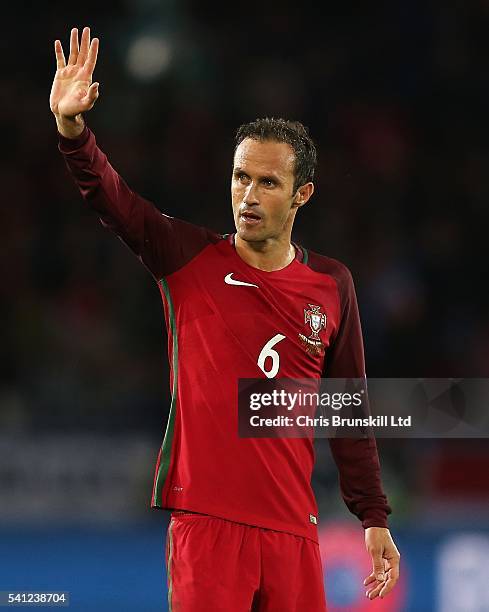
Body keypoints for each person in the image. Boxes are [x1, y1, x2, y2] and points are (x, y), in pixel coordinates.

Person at [50, 26, 400, 611]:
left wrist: (373, 517)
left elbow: (349, 408)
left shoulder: (331, 284)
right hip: (206, 527)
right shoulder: (187, 258)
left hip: (294, 531)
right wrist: (72, 129)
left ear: (302, 195)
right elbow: (111, 198)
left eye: (268, 183)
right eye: (241, 178)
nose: (249, 196)